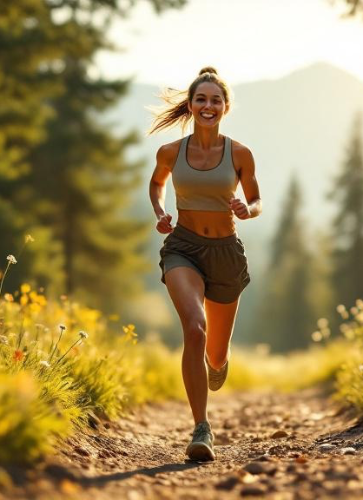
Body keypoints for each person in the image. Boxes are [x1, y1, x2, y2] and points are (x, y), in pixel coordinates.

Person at [148, 67, 262, 462]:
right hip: (184, 248)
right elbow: (156, 183)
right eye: (201, 99)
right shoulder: (171, 152)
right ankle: (201, 428)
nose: (208, 106)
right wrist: (160, 212)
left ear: (225, 107)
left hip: (226, 253)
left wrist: (247, 209)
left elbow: (257, 200)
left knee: (214, 353)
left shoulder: (240, 153)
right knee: (194, 329)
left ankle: (218, 362)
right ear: (191, 105)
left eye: (216, 100)